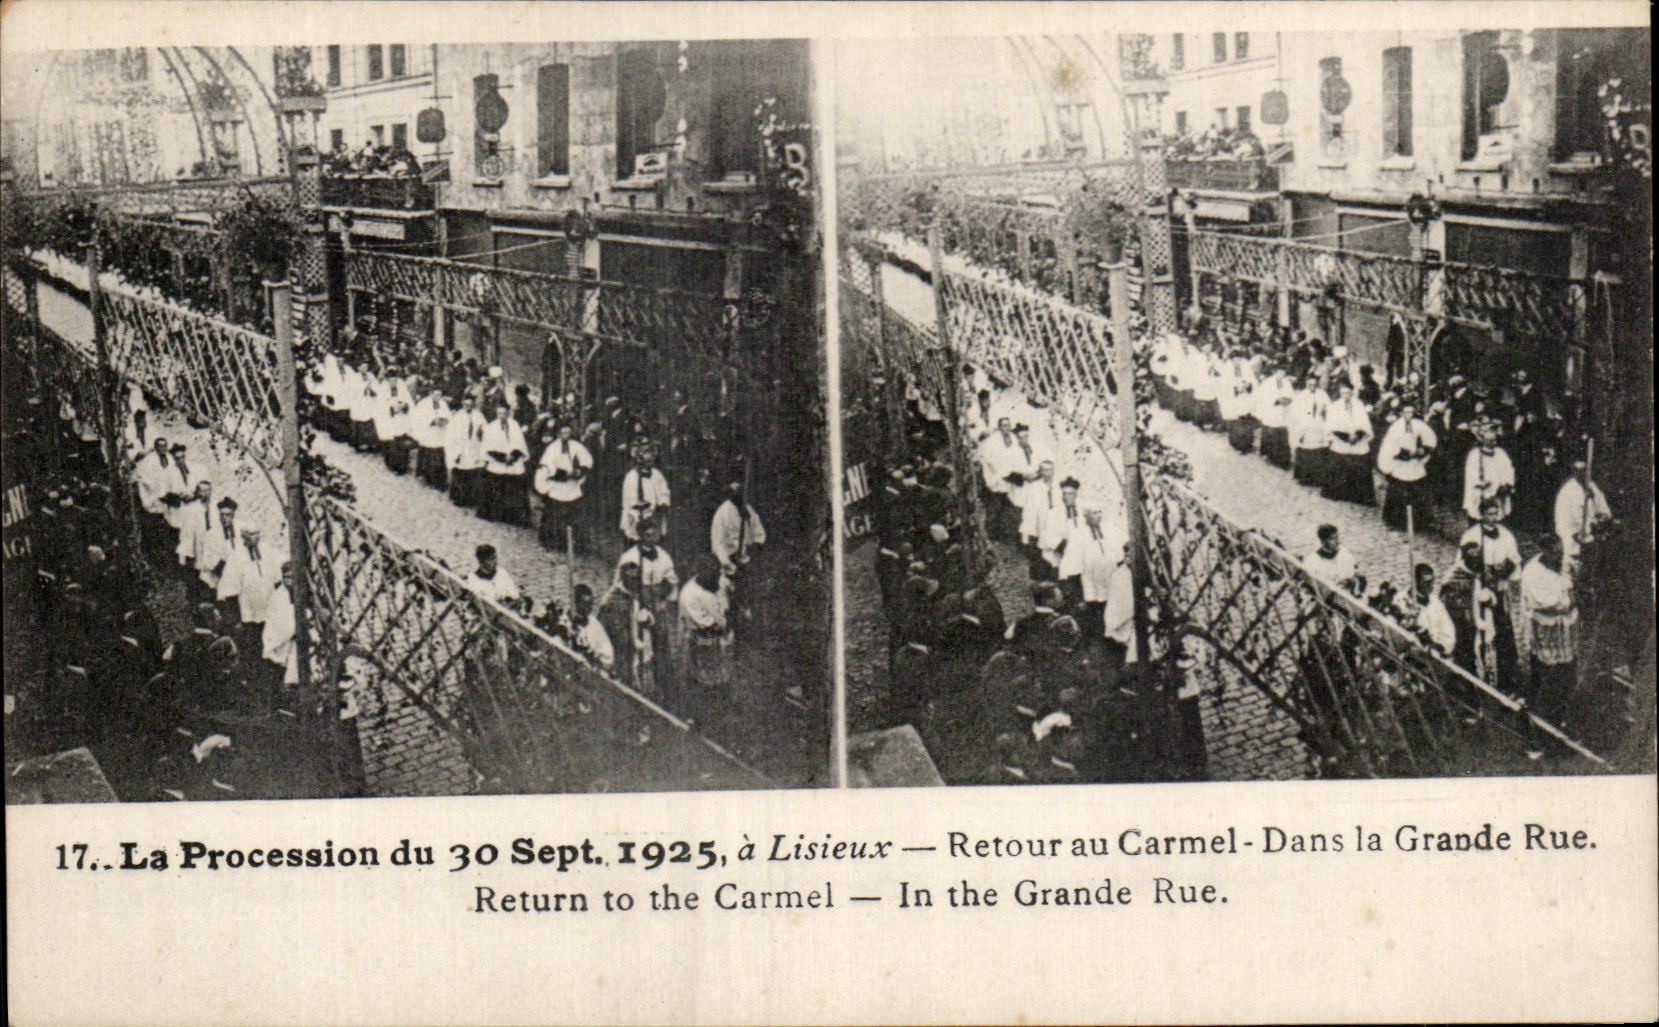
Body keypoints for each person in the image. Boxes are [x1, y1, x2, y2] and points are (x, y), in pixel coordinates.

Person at [1520, 534, 1578, 727]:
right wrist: (1571, 600)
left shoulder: (1564, 564)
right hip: (1546, 629)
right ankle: (1540, 718)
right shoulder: (1532, 572)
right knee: (1547, 673)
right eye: (1556, 553)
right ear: (1545, 551)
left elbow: (1572, 583)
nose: (1561, 557)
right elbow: (1546, 603)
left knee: (1567, 671)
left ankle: (1562, 714)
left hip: (1566, 628)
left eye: (1562, 552)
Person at [678, 556, 734, 711]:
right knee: (704, 680)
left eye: (718, 574)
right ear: (701, 574)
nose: (717, 580)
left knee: (725, 674)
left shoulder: (720, 581)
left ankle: (725, 704)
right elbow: (705, 626)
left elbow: (730, 594)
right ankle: (704, 713)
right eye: (713, 577)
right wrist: (726, 624)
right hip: (702, 640)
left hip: (722, 638)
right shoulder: (689, 595)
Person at [1377, 402, 1437, 532]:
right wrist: (1402, 453)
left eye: (1411, 412)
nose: (1409, 415)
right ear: (1401, 413)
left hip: (1414, 463)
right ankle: (1396, 521)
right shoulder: (1396, 427)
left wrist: (1423, 450)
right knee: (1398, 490)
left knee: (1419, 488)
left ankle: (1421, 521)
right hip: (1401, 462)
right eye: (1406, 412)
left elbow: (1430, 438)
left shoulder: (1419, 425)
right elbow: (1390, 445)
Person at [534, 423, 592, 551]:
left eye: (568, 433)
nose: (566, 435)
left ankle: (578, 544)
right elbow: (547, 467)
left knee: (575, 514)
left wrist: (578, 471)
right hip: (558, 486)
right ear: (558, 434)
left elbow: (587, 461)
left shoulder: (577, 446)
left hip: (572, 486)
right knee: (555, 515)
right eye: (563, 433)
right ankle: (554, 542)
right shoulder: (552, 448)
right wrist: (563, 473)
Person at [1552, 457, 1612, 571]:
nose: (1581, 473)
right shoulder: (1567, 492)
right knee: (1574, 566)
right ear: (1574, 471)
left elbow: (1604, 510)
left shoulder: (1592, 486)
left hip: (1593, 533)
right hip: (1573, 535)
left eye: (1584, 470)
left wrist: (1602, 519)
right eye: (1578, 470)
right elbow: (1567, 523)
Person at [1323, 381, 1374, 506]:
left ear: (1352, 393)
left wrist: (1358, 435)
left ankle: (1358, 495)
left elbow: (1365, 423)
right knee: (1339, 462)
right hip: (1341, 439)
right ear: (1340, 393)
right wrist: (1345, 437)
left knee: (1360, 462)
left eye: (1348, 392)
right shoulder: (1334, 406)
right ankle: (1339, 493)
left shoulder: (1359, 405)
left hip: (1357, 439)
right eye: (1343, 393)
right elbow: (1331, 425)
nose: (1345, 395)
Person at [479, 401, 530, 526]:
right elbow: (488, 446)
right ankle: (494, 513)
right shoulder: (490, 427)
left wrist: (514, 455)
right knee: (496, 487)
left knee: (513, 488)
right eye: (499, 413)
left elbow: (520, 443)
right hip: (498, 461)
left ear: (508, 413)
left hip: (513, 461)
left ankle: (511, 515)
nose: (501, 415)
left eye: (504, 413)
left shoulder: (514, 425)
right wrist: (502, 457)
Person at [1462, 418, 1515, 523]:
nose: (1493, 443)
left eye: (1495, 440)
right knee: (1480, 520)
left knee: (1498, 519)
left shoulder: (1501, 453)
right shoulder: (1475, 455)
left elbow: (1510, 470)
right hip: (1482, 494)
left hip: (1499, 496)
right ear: (1483, 440)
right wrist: (1488, 485)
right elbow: (1471, 476)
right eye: (1490, 440)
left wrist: (1507, 484)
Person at [619, 443, 672, 542]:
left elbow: (664, 491)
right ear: (640, 461)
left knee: (656, 538)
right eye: (647, 461)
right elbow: (630, 499)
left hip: (656, 515)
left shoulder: (656, 474)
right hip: (637, 515)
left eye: (651, 461)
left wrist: (664, 503)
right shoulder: (631, 477)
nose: (650, 464)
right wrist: (643, 510)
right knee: (636, 539)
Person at [444, 392, 487, 509]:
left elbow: (484, 430)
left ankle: (471, 498)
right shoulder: (458, 416)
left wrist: (481, 432)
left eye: (470, 405)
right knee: (461, 473)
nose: (468, 407)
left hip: (474, 447)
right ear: (462, 404)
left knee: (473, 473)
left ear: (473, 405)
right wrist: (455, 451)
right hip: (461, 448)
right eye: (465, 405)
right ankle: (459, 498)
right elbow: (450, 434)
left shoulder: (478, 415)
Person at [564, 583, 615, 672]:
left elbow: (608, 659)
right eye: (584, 604)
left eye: (590, 604)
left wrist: (594, 655)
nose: (588, 609)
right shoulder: (563, 623)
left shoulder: (594, 625)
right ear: (574, 604)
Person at [1304, 524, 1359, 594]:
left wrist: (1349, 581)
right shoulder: (1312, 560)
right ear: (1323, 542)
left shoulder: (1344, 553)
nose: (1338, 542)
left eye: (1337, 538)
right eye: (1333, 539)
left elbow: (1354, 574)